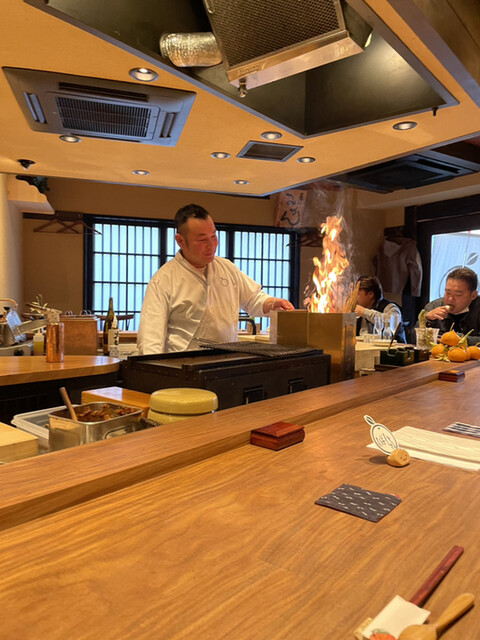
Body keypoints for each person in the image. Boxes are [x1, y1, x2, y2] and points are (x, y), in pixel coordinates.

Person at [137, 203, 295, 354]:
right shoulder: (164, 279)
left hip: (226, 360)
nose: (211, 245)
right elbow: (151, 338)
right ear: (180, 241)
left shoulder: (226, 268)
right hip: (181, 363)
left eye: (213, 236)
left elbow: (252, 299)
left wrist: (273, 304)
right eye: (202, 240)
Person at [423, 267, 480, 345]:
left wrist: (458, 339)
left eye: (458, 294)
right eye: (448, 292)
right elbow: (414, 339)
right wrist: (427, 320)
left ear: (473, 295)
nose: (450, 299)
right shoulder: (433, 306)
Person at [355, 275, 406, 342]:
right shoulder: (358, 311)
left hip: (391, 348)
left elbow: (393, 324)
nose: (355, 298)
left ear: (370, 294)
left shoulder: (390, 307)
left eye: (358, 294)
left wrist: (364, 312)